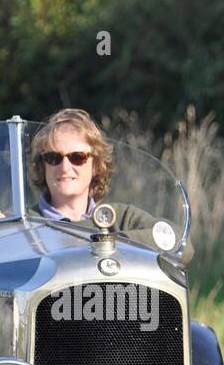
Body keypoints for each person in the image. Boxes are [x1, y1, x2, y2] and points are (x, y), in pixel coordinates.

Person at [28, 108, 191, 260]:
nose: (65, 167)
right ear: (43, 165)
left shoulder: (122, 219)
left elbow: (182, 245)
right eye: (53, 158)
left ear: (96, 166)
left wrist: (106, 243)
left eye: (77, 157)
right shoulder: (24, 225)